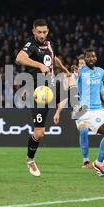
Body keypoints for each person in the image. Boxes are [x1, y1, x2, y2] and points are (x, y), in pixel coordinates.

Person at [54, 54, 104, 171]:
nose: (81, 66)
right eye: (80, 64)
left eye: (83, 64)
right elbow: (66, 97)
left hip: (94, 108)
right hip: (79, 109)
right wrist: (58, 112)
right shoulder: (71, 78)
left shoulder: (95, 76)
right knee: (84, 131)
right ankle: (86, 160)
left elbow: (103, 94)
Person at [15, 19, 70, 177]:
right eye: (39, 32)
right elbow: (20, 58)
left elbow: (53, 59)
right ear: (33, 31)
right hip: (39, 91)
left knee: (73, 88)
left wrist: (64, 69)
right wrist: (39, 65)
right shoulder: (30, 44)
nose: (41, 35)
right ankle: (30, 160)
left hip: (52, 86)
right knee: (39, 133)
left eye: (44, 32)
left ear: (48, 31)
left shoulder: (49, 44)